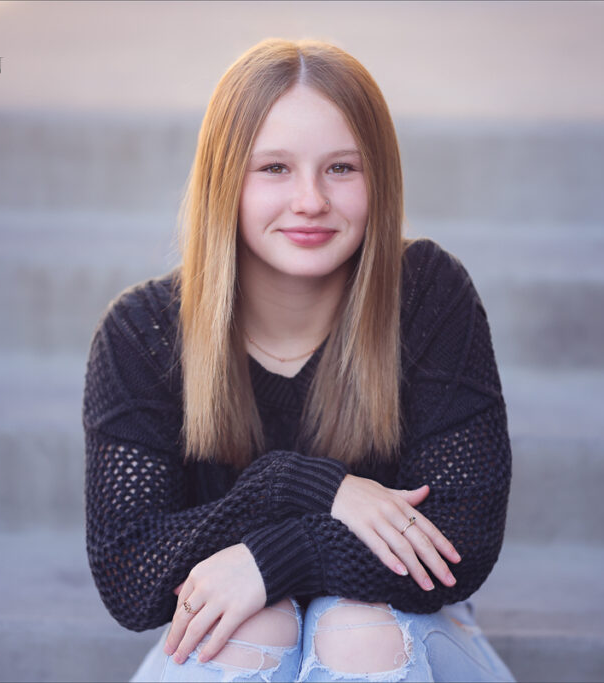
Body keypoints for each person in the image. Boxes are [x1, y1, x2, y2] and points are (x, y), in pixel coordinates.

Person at [83, 38, 514, 682]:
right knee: (251, 626)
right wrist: (302, 485)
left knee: (356, 627)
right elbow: (131, 572)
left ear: (380, 177)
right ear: (224, 180)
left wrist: (274, 556)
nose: (310, 200)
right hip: (222, 644)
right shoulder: (142, 333)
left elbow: (457, 541)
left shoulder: (427, 294)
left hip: (405, 639)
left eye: (342, 168)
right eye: (274, 169)